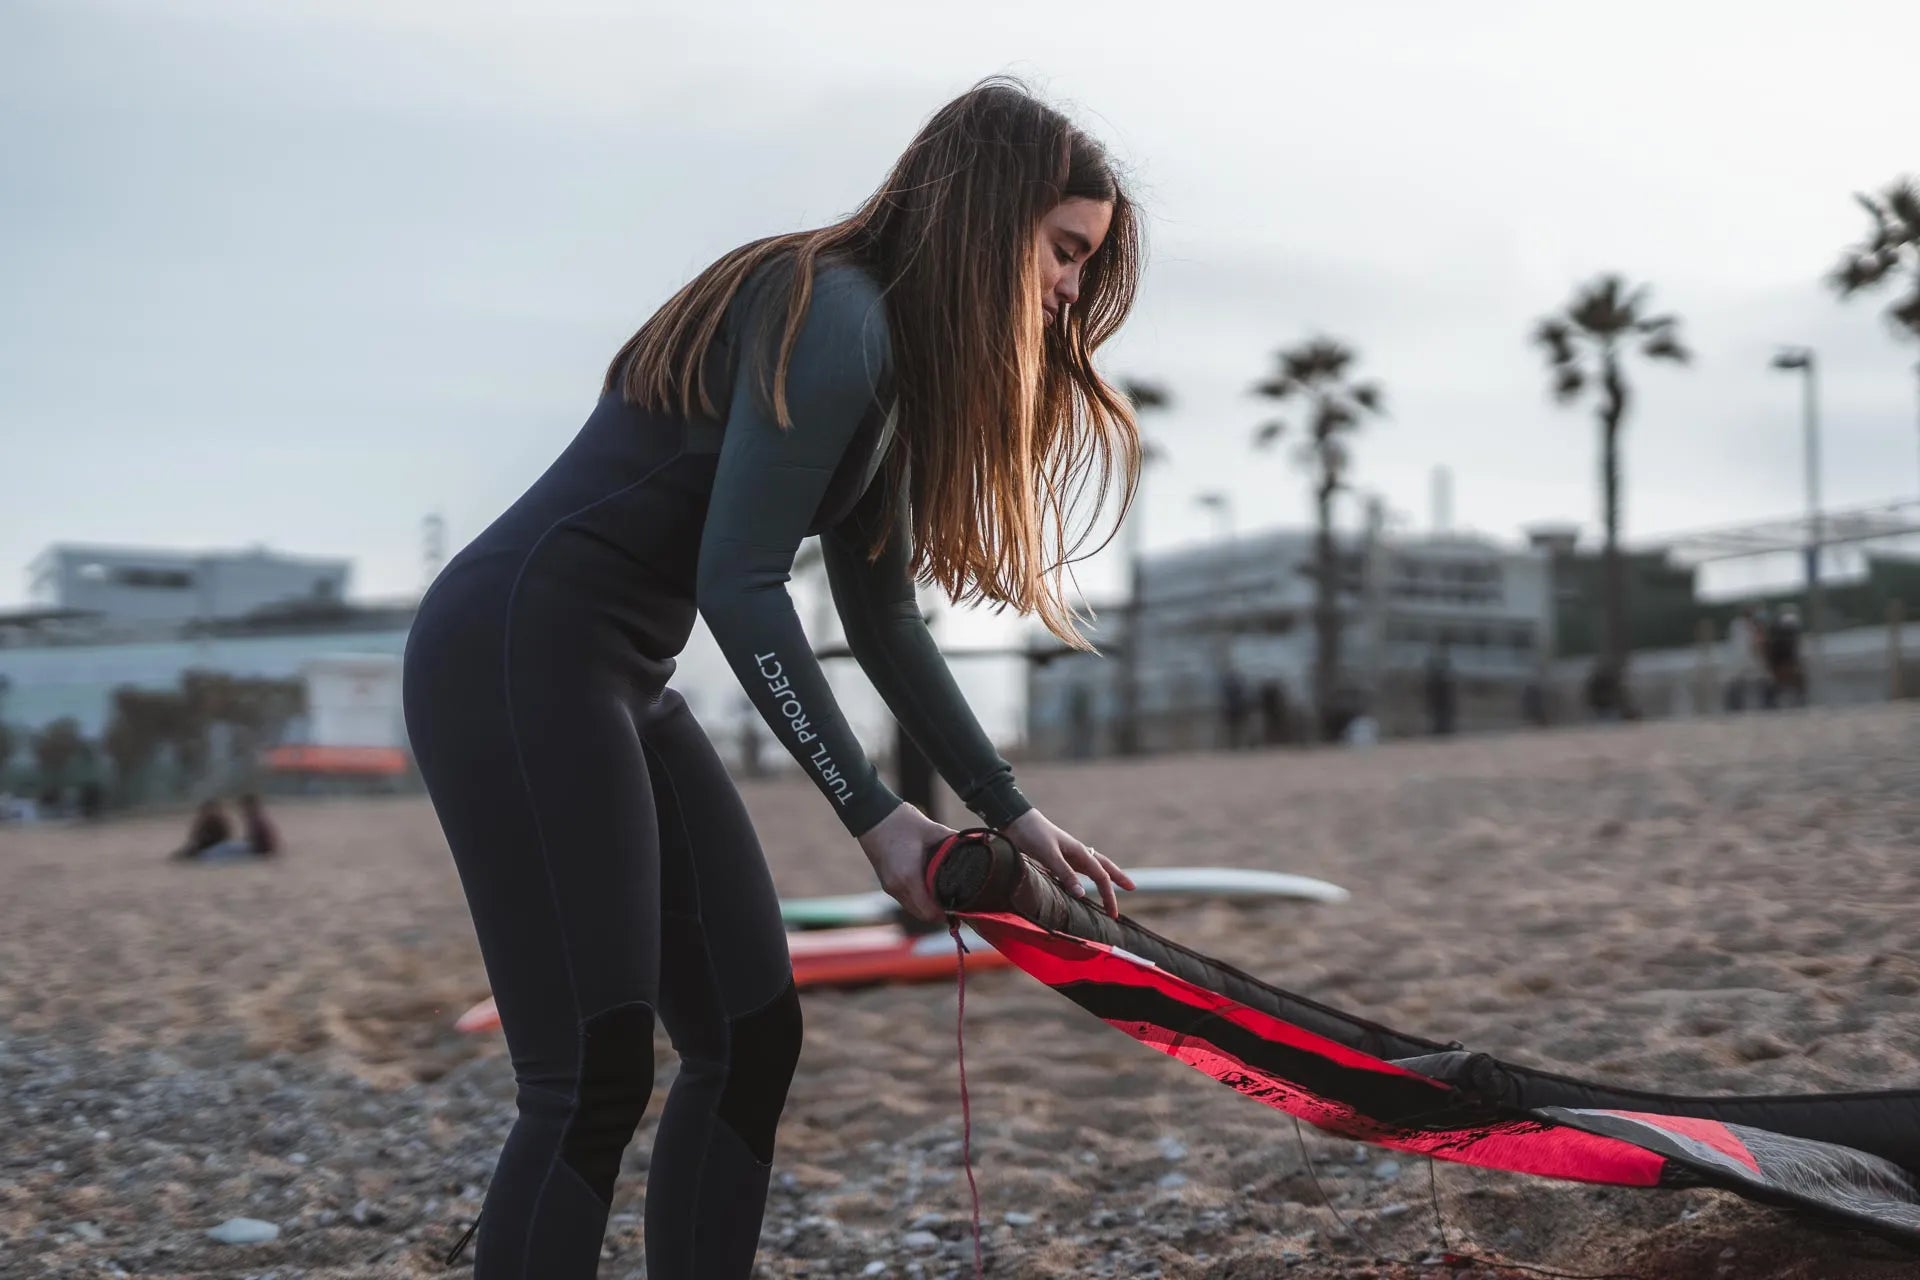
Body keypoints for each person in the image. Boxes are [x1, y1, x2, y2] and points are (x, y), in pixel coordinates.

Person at [401, 79, 1140, 1280]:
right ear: (988, 220)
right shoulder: (832, 313)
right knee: (586, 1073)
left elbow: (883, 613)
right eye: (1061, 252)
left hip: (620, 678)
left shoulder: (894, 355)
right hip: (514, 653)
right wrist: (875, 816)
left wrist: (1009, 806)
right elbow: (741, 583)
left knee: (749, 1036)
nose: (1067, 290)